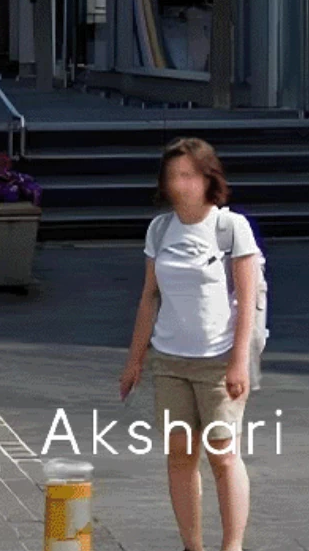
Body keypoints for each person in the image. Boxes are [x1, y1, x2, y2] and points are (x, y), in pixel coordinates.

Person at [118, 139, 264, 551]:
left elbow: (248, 299)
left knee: (222, 454)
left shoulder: (230, 227)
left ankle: (231, 545)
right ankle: (192, 545)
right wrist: (135, 361)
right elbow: (149, 296)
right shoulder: (160, 229)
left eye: (188, 176)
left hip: (219, 361)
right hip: (170, 360)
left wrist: (239, 362)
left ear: (208, 178)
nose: (180, 185)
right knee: (180, 455)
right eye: (172, 177)